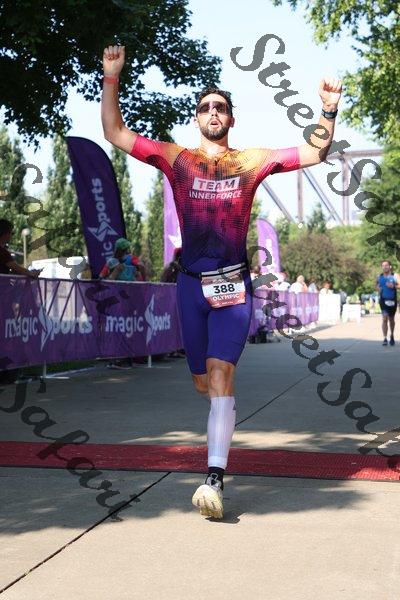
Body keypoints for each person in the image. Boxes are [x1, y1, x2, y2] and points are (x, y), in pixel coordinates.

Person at [101, 44, 342, 519]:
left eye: (221, 107)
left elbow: (315, 151)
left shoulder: (250, 161)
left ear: (231, 119)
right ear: (197, 119)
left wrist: (328, 110)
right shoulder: (177, 159)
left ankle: (214, 478)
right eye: (206, 107)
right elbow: (114, 132)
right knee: (202, 383)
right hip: (190, 286)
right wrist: (112, 77)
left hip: (233, 286)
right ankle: (219, 425)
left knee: (220, 375)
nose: (213, 112)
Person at [376, 260, 399, 346]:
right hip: (383, 300)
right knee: (384, 318)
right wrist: (378, 288)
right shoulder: (379, 276)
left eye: (386, 265)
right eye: (383, 265)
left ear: (390, 266)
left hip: (392, 300)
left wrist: (394, 286)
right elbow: (376, 285)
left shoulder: (395, 275)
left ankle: (392, 335)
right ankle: (385, 338)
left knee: (391, 319)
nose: (385, 267)